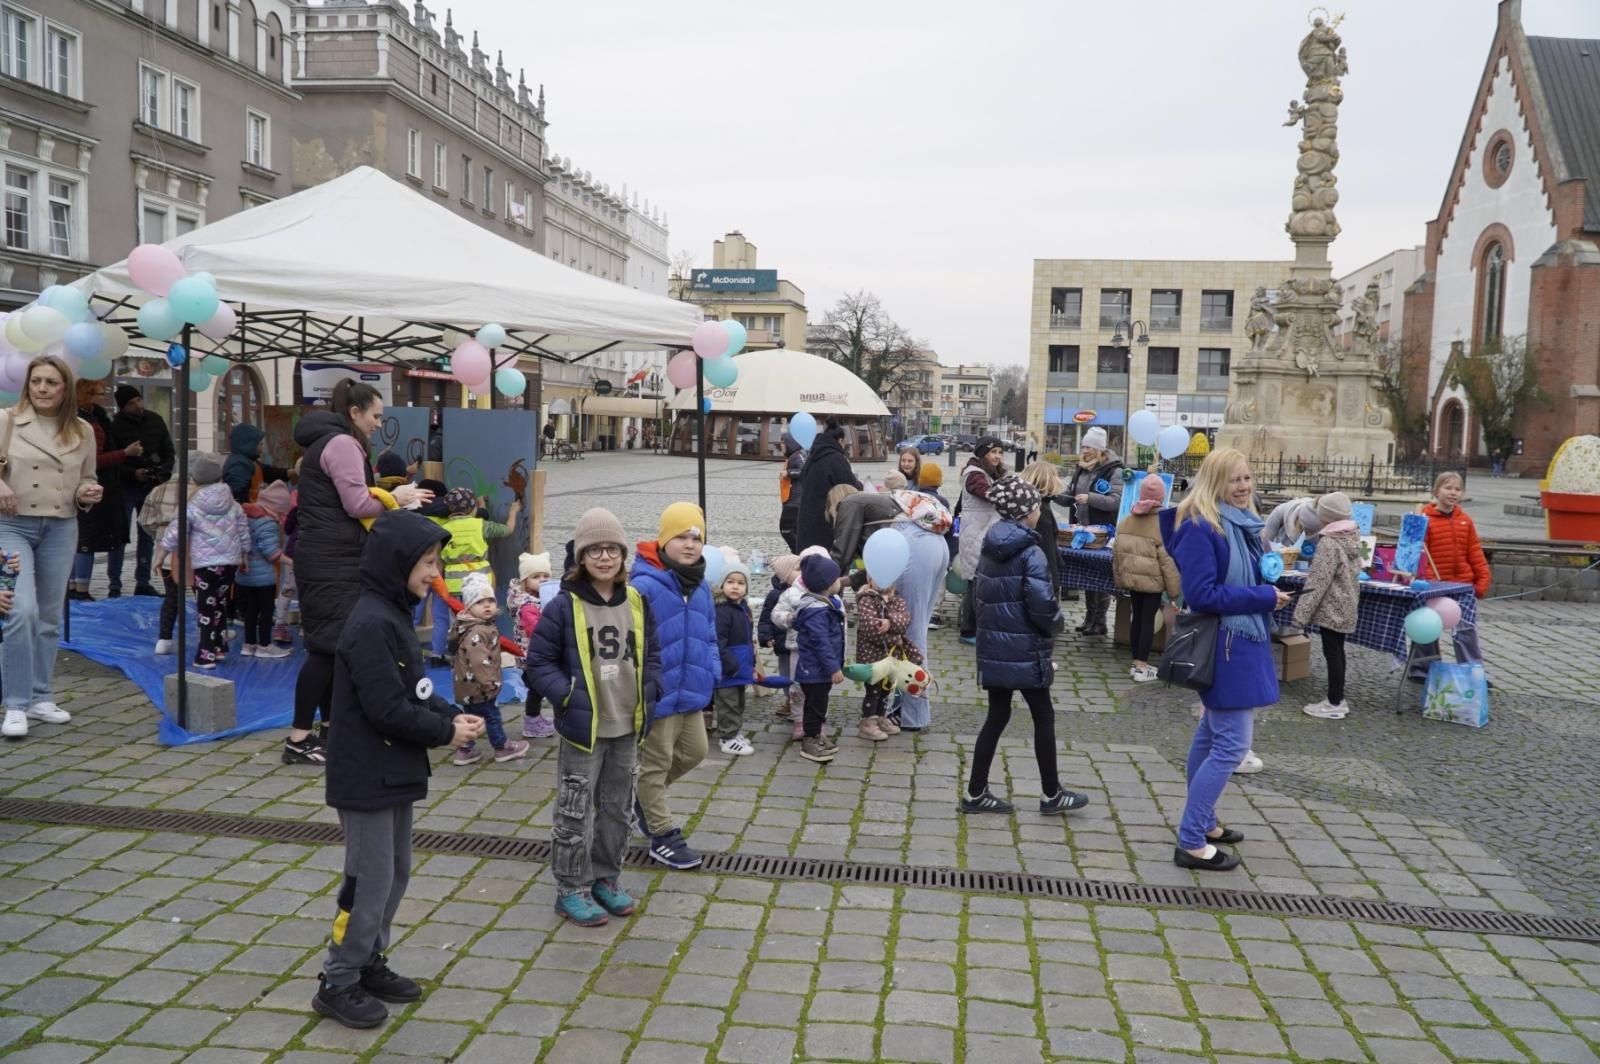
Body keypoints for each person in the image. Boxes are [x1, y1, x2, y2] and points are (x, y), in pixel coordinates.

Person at [313, 509, 483, 1029]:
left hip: (394, 770)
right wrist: (444, 734)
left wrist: (452, 715)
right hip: (366, 775)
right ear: (396, 563)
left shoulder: (393, 614)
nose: (435, 573)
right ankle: (337, 979)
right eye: (427, 563)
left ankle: (368, 959)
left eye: (436, 562)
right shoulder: (370, 623)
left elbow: (416, 690)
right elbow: (386, 708)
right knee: (368, 881)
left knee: (395, 875)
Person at [288, 380, 433, 766]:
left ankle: (330, 729)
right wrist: (396, 498)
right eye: (376, 416)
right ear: (354, 412)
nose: (379, 424)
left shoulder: (329, 442)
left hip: (328, 557)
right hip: (332, 561)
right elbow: (356, 504)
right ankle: (298, 739)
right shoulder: (342, 444)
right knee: (326, 649)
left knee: (334, 647)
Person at [525, 507, 658, 927]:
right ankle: (571, 888)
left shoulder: (637, 601)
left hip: (627, 724)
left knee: (618, 809)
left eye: (612, 549)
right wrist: (566, 695)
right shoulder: (564, 607)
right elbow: (538, 662)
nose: (604, 557)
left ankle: (605, 878)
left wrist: (652, 691)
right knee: (575, 811)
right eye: (594, 550)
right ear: (581, 557)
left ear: (623, 555)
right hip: (584, 729)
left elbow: (652, 654)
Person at [1162, 448, 1293, 871]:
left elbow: (1242, 580)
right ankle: (1191, 840)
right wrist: (1261, 596)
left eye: (1247, 478)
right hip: (1225, 646)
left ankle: (1204, 823)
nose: (1243, 486)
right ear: (1215, 482)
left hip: (1239, 642)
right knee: (1232, 745)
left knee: (1210, 737)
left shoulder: (1239, 523)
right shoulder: (1201, 526)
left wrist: (1267, 587)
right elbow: (1201, 595)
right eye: (1234, 479)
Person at [961, 477, 1091, 817]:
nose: (1039, 512)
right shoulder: (1031, 551)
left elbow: (979, 597)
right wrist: (1056, 625)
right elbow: (1042, 605)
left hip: (995, 646)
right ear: (1026, 513)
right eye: (1035, 507)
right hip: (1025, 648)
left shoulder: (991, 545)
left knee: (997, 715)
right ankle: (1051, 793)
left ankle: (975, 791)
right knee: (1043, 715)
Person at [0, 356, 100, 739]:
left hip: (61, 526)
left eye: (51, 382)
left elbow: (86, 478)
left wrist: (87, 492)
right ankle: (15, 702)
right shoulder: (7, 420)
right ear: (27, 385)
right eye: (36, 381)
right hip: (12, 526)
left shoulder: (82, 431)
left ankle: (41, 696)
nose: (42, 388)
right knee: (21, 611)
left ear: (65, 389)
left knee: (48, 617)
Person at [629, 502, 717, 870]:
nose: (690, 544)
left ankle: (642, 801)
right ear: (664, 539)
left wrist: (712, 670)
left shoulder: (701, 586)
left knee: (695, 751)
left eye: (697, 538)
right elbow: (632, 642)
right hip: (659, 692)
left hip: (692, 689)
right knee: (656, 762)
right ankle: (662, 833)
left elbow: (709, 632)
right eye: (681, 536)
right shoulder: (644, 585)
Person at [160, 451, 250, 669]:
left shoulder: (192, 506)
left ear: (195, 480)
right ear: (220, 478)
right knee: (220, 603)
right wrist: (245, 555)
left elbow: (175, 532)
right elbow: (243, 531)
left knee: (205, 609)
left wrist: (160, 555)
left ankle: (205, 654)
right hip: (229, 562)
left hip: (205, 564)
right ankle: (219, 646)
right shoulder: (233, 504)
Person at [1409, 471, 1492, 678]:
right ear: (1436, 491)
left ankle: (1472, 672)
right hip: (1434, 586)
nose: (1453, 493)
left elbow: (1475, 553)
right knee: (1428, 627)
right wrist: (1429, 580)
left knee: (1466, 630)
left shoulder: (1465, 521)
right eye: (1448, 488)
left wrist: (1482, 580)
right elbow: (1419, 554)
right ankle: (1422, 668)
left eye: (1457, 489)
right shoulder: (1424, 518)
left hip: (1462, 585)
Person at [426, 487, 521, 662]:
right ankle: (483, 655)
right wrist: (514, 511)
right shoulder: (481, 525)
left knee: (456, 623)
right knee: (483, 620)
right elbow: (508, 530)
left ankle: (453, 657)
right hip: (480, 585)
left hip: (454, 586)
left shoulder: (442, 530)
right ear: (472, 508)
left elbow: (438, 560)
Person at [1294, 492, 1362, 719]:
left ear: (1325, 517)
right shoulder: (1352, 536)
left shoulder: (1329, 542)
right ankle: (1338, 698)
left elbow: (1317, 581)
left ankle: (1334, 702)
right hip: (1346, 605)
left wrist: (1300, 615)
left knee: (1332, 653)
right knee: (1338, 652)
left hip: (1332, 607)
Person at [449, 572, 528, 765]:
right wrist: (490, 684)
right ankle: (501, 747)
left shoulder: (470, 626)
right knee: (492, 716)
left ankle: (465, 749)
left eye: (490, 601)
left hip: (466, 686)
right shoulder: (478, 631)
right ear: (468, 607)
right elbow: (479, 661)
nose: (487, 605)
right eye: (479, 602)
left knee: (472, 717)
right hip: (480, 686)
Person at [68, 379, 137, 601]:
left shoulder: (86, 418)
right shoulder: (90, 424)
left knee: (81, 539)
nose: (104, 397)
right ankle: (80, 590)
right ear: (87, 395)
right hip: (91, 487)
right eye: (99, 393)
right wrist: (124, 453)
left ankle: (74, 587)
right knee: (86, 541)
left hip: (85, 485)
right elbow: (93, 461)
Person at [1113, 475, 1182, 682]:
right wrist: (1174, 592)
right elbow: (1167, 563)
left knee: (1137, 618)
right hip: (1152, 582)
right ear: (1161, 497)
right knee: (1147, 620)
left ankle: (1136, 663)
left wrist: (1119, 579)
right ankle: (1142, 667)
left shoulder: (1126, 520)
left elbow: (1117, 554)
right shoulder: (1163, 524)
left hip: (1133, 581)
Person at [108, 384, 174, 597]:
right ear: (122, 406)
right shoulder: (115, 426)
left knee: (147, 535)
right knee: (120, 535)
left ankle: (143, 582)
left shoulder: (155, 420)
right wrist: (133, 474)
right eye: (131, 403)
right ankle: (114, 585)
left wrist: (161, 472)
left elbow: (168, 451)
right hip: (125, 487)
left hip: (151, 487)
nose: (137, 405)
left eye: (138, 399)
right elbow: (112, 461)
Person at [1066, 427, 1124, 636]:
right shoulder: (1082, 468)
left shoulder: (1114, 470)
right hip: (1082, 531)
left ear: (1100, 450)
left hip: (1102, 532)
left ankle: (1100, 622)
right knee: (1087, 576)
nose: (1085, 451)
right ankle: (1089, 618)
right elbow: (1070, 492)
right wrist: (1053, 494)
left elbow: (1116, 501)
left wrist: (1090, 498)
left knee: (1100, 576)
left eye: (1089, 447)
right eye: (1083, 446)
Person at [792, 552, 845, 763]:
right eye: (837, 578)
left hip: (819, 669)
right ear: (827, 585)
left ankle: (816, 736)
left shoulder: (824, 604)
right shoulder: (817, 611)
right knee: (815, 706)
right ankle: (810, 740)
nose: (840, 581)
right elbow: (821, 643)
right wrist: (833, 668)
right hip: (815, 670)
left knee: (820, 703)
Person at [956, 436, 1008, 644]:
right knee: (976, 582)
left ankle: (973, 628)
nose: (997, 456)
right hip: (975, 533)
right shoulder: (974, 475)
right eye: (993, 452)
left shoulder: (987, 473)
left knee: (977, 581)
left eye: (1000, 452)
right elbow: (987, 493)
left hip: (982, 531)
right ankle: (968, 631)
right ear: (982, 454)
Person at [852, 571, 913, 742]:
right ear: (869, 580)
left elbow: (905, 620)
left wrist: (890, 622)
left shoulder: (896, 599)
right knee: (873, 691)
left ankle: (880, 717)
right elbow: (871, 629)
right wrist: (896, 638)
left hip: (891, 656)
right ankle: (867, 722)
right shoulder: (867, 599)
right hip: (871, 656)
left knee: (887, 689)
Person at [238, 479, 292, 659]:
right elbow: (271, 553)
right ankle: (264, 645)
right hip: (263, 576)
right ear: (276, 507)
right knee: (267, 610)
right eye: (282, 512)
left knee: (251, 609)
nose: (282, 516)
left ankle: (248, 644)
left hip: (246, 573)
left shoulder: (248, 518)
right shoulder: (267, 523)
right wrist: (292, 562)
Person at [795, 417, 862, 554]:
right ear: (840, 441)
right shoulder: (836, 458)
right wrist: (860, 484)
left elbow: (803, 478)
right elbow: (850, 487)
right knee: (823, 559)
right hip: (825, 520)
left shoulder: (813, 456)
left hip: (807, 517)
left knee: (808, 558)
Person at [712, 559, 758, 756]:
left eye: (740, 583)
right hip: (728, 668)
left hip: (741, 665)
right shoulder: (722, 611)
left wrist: (751, 662)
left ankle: (734, 731)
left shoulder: (744, 608)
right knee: (728, 703)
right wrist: (730, 664)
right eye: (730, 582)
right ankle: (727, 737)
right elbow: (717, 642)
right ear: (722, 585)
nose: (735, 586)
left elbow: (748, 639)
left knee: (739, 702)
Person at [510, 551, 556, 739]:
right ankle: (531, 722)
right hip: (532, 656)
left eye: (546, 576)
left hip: (537, 654)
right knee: (536, 689)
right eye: (536, 577)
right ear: (525, 581)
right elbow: (536, 630)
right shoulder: (528, 605)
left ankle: (535, 717)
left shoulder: (540, 599)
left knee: (537, 689)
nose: (542, 580)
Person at [144, 475, 191, 656]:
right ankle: (212, 637)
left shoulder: (158, 489)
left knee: (172, 596)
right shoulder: (200, 491)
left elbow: (145, 520)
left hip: (166, 552)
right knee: (205, 596)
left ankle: (164, 640)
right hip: (195, 551)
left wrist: (159, 534)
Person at [757, 553, 802, 735]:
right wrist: (766, 637)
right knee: (786, 675)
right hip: (782, 645)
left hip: (799, 645)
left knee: (798, 675)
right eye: (797, 569)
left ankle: (798, 703)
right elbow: (766, 618)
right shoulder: (775, 595)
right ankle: (789, 701)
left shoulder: (804, 592)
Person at [1019, 460, 1071, 598]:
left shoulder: (1027, 504)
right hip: (1040, 581)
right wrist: (1054, 585)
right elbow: (1046, 551)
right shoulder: (1040, 511)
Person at [223, 423, 288, 505]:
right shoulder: (238, 464)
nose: (262, 447)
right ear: (249, 445)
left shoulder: (249, 460)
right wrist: (248, 509)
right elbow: (238, 495)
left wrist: (287, 473)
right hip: (247, 510)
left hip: (254, 507)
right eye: (260, 444)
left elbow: (267, 472)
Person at [778, 431, 806, 552]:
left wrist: (788, 473)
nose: (781, 445)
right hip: (794, 500)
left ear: (790, 443)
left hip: (795, 502)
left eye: (783, 443)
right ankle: (799, 553)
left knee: (786, 529)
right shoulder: (796, 455)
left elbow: (804, 470)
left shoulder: (797, 457)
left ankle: (797, 552)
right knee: (795, 530)